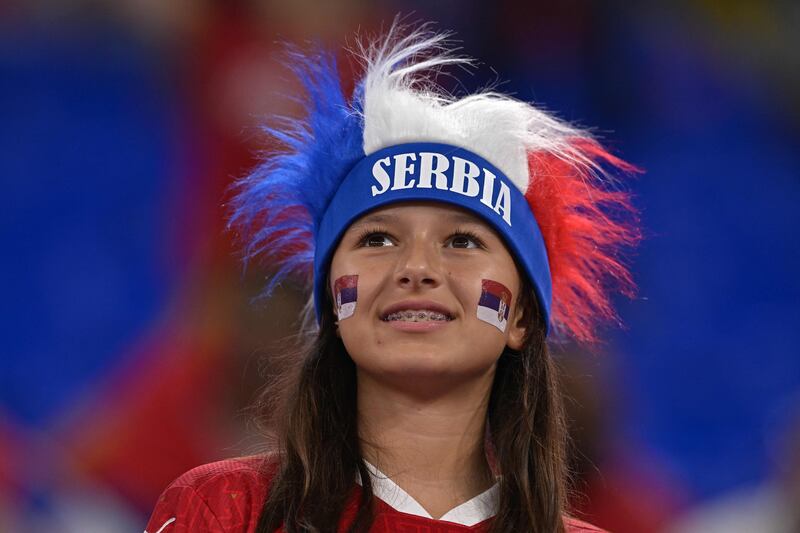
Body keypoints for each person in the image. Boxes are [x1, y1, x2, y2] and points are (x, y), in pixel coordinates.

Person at [145, 23, 639, 533]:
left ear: (520, 315)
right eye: (378, 239)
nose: (417, 269)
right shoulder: (226, 509)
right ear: (332, 304)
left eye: (462, 242)